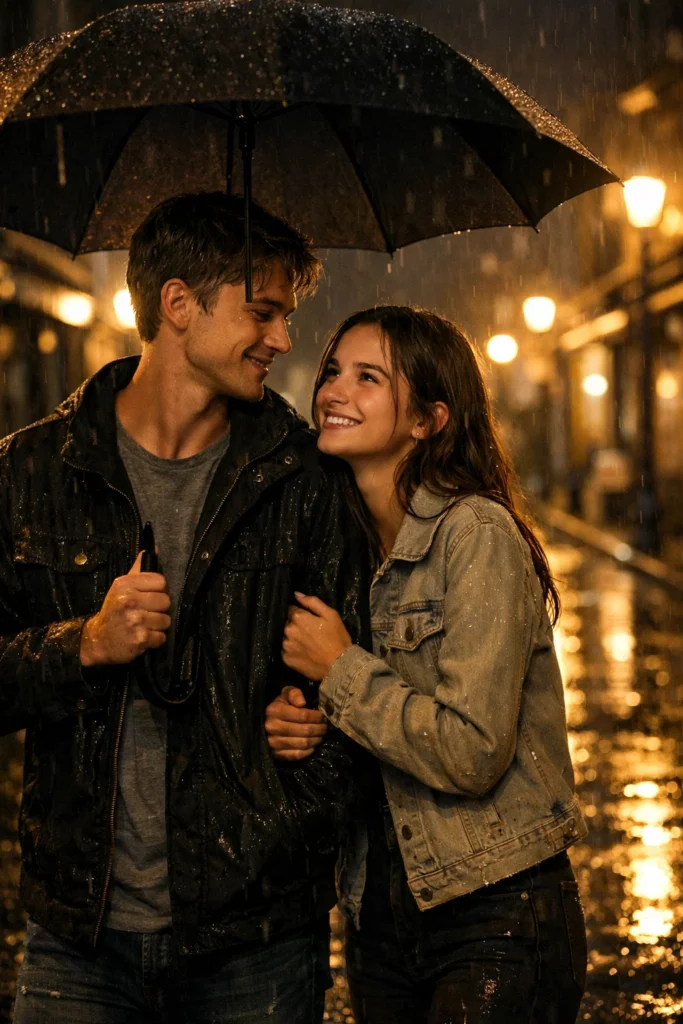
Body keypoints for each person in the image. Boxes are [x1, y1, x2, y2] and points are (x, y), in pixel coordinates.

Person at [2, 192, 369, 1024]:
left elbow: (371, 684)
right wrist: (82, 644)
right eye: (262, 311)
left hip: (258, 940)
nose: (281, 340)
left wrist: (313, 728)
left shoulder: (306, 482)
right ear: (178, 305)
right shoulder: (31, 473)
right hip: (77, 938)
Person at [265, 306, 589, 1024]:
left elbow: (473, 751)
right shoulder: (346, 544)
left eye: (367, 378)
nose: (332, 391)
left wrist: (341, 671)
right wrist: (311, 724)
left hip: (493, 912)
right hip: (379, 912)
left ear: (427, 420)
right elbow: (380, 731)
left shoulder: (474, 534)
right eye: (332, 372)